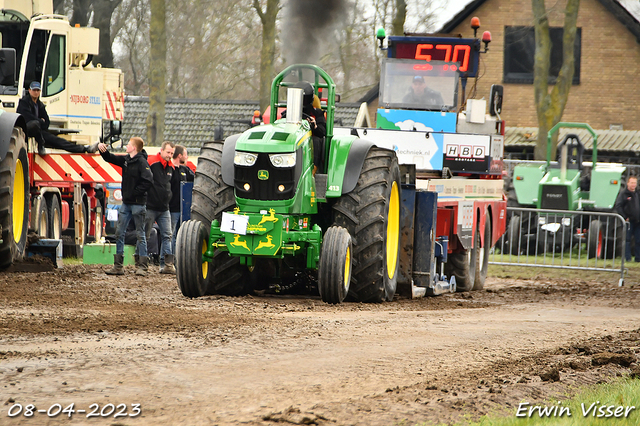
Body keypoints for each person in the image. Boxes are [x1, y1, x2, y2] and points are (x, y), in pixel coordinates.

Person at [97, 137, 153, 275]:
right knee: (119, 233)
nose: (126, 146)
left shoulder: (141, 162)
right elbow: (111, 158)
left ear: (134, 147)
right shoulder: (127, 160)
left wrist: (135, 193)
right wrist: (102, 151)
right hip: (126, 204)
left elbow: (148, 180)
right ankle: (118, 266)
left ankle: (142, 267)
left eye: (128, 144)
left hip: (138, 204)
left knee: (141, 234)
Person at [17, 81, 99, 156]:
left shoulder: (40, 105)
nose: (36, 92)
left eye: (37, 90)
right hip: (25, 130)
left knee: (59, 141)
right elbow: (27, 118)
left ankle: (85, 149)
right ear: (29, 90)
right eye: (34, 90)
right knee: (35, 124)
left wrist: (40, 122)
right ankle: (41, 144)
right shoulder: (23, 102)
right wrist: (40, 121)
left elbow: (47, 122)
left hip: (40, 132)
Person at [145, 141, 176, 274]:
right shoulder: (151, 163)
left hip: (164, 208)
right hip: (150, 207)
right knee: (144, 235)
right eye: (168, 152)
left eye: (172, 153)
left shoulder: (171, 167)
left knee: (167, 235)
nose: (170, 155)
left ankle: (167, 265)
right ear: (161, 150)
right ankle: (141, 263)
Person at [282, 81, 326, 171]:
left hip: (309, 142)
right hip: (292, 142)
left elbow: (322, 132)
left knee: (316, 141)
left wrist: (314, 126)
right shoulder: (287, 114)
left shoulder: (317, 113)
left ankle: (313, 170)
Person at [169, 145, 196, 255]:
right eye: (185, 154)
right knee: (172, 235)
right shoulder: (170, 169)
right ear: (180, 156)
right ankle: (172, 258)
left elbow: (195, 181)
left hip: (184, 210)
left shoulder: (186, 170)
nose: (187, 157)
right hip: (172, 209)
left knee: (183, 236)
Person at [614, 175, 640, 262]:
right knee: (627, 240)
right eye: (632, 183)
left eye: (635, 183)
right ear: (628, 183)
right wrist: (624, 217)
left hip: (638, 221)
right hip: (628, 222)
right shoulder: (623, 194)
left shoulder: (637, 193)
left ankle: (638, 259)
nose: (633, 185)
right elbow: (618, 206)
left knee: (638, 240)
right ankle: (627, 258)